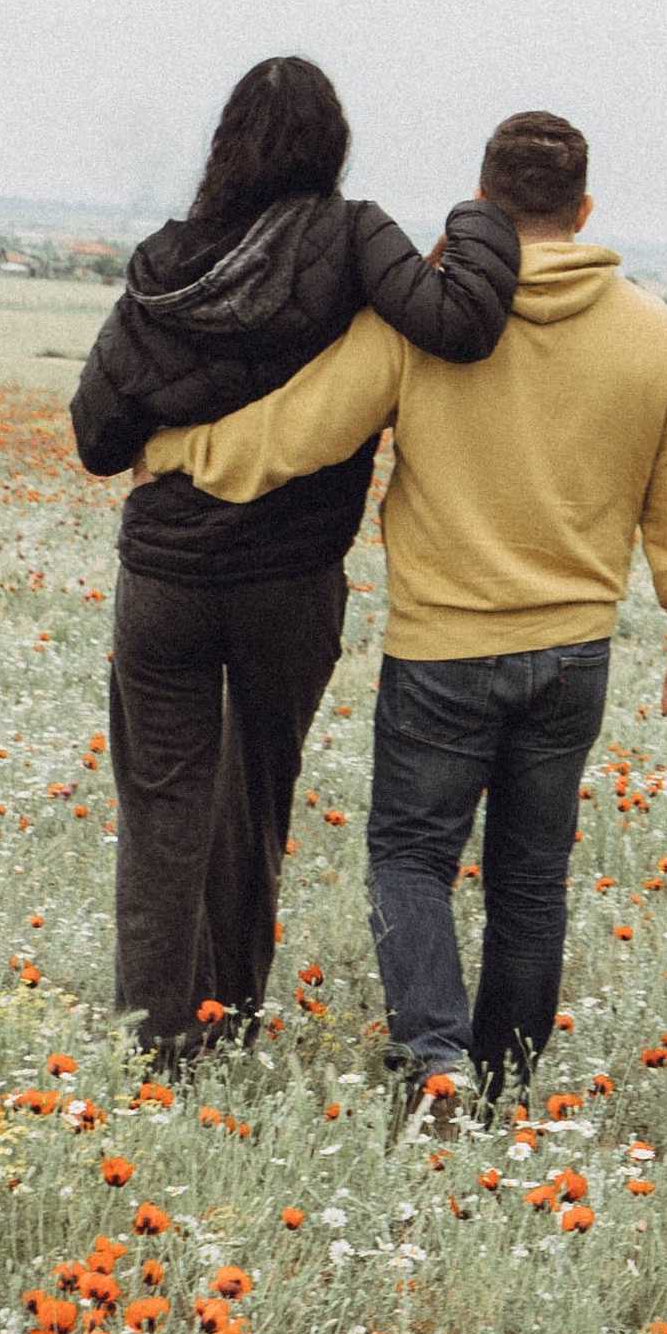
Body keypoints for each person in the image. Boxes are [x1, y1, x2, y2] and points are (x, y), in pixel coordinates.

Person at [140, 108, 667, 1109]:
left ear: (484, 199)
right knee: (531, 884)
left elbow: (301, 433)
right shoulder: (653, 334)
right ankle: (500, 1088)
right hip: (574, 654)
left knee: (411, 859)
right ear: (584, 210)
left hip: (442, 650)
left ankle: (436, 1062)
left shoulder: (427, 320)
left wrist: (172, 454)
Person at [71, 55, 518, 1065]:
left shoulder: (164, 261)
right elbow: (462, 323)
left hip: (166, 582)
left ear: (225, 144)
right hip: (289, 583)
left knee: (161, 811)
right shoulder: (354, 236)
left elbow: (96, 435)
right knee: (255, 795)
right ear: (333, 145)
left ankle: (156, 1046)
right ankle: (228, 1022)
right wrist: (483, 217)